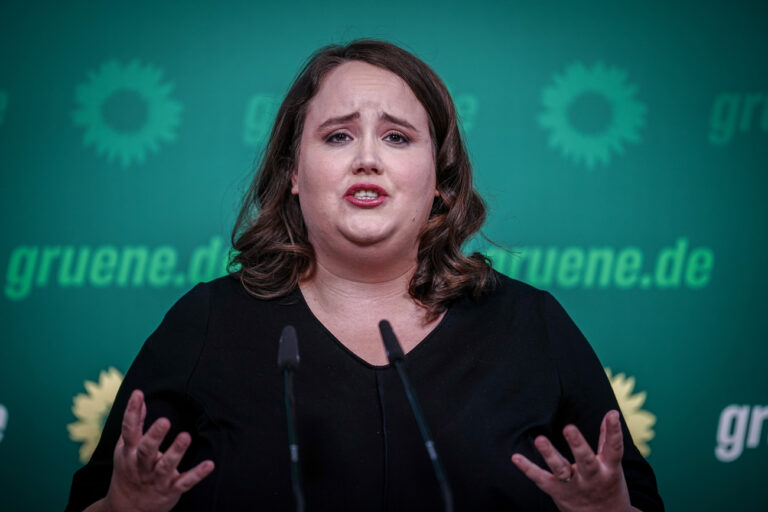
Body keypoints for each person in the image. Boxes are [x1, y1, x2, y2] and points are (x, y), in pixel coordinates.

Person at [66, 39, 664, 511]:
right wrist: (126, 509)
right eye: (338, 135)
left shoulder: (530, 326)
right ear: (294, 174)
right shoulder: (207, 323)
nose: (367, 158)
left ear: (440, 180)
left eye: (397, 136)